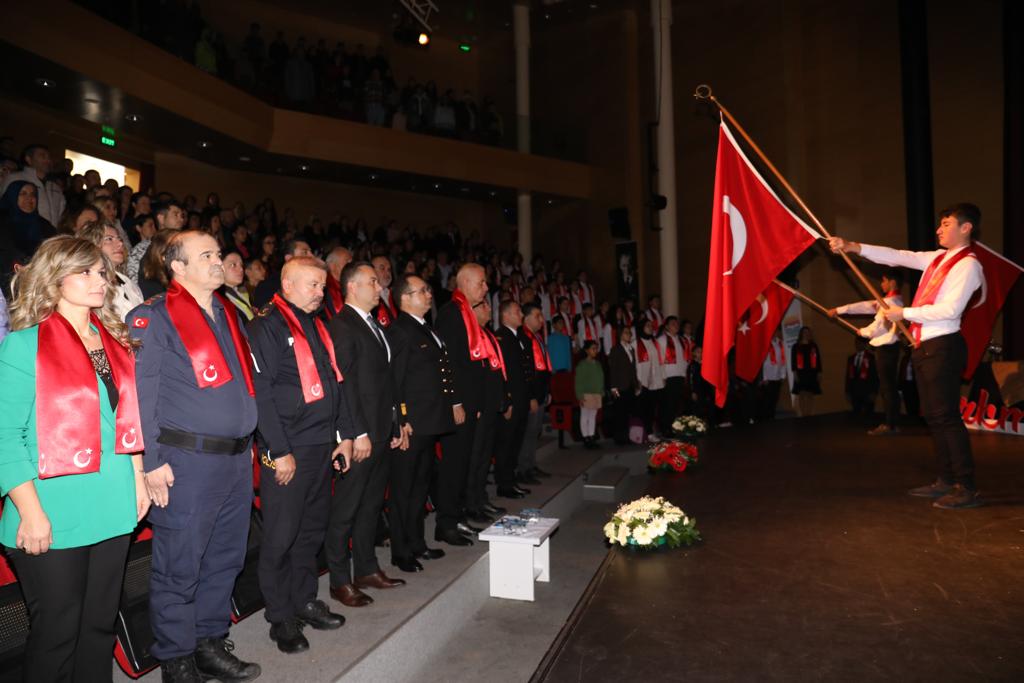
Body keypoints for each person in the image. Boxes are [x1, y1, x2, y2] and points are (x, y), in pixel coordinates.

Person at [0, 236, 147, 682]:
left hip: (113, 501)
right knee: (57, 636)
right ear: (54, 278)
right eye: (84, 272)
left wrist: (138, 477)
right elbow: (6, 436)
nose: (98, 280)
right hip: (51, 507)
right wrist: (30, 513)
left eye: (101, 272)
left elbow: (126, 420)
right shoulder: (24, 345)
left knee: (99, 628)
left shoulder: (114, 340)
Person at [129, 230, 261, 682]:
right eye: (206, 255)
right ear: (177, 267)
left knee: (225, 558)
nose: (217, 260)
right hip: (186, 463)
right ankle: (177, 658)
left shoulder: (226, 313)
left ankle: (209, 643)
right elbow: (141, 397)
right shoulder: (153, 317)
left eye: (218, 253)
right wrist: (150, 462)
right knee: (179, 566)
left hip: (235, 460)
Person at [829, 203, 984, 509]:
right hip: (923, 345)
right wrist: (853, 246)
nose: (938, 230)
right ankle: (945, 480)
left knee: (946, 417)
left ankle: (966, 486)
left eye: (946, 224)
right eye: (940, 224)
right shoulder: (937, 258)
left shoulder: (968, 266)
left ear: (966, 228)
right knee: (934, 417)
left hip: (943, 345)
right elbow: (898, 256)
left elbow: (951, 309)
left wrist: (904, 313)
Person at [247, 257, 352, 654]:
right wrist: (279, 450)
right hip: (289, 448)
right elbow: (262, 393)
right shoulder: (267, 325)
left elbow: (334, 383)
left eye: (323, 286)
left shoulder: (315, 324)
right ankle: (280, 616)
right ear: (287, 284)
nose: (320, 293)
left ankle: (304, 599)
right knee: (281, 535)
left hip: (320, 443)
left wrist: (343, 435)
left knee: (310, 531)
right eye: (312, 285)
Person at [325, 261, 408, 609]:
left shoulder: (373, 324)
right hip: (360, 434)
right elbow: (343, 385)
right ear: (352, 287)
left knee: (371, 505)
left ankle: (366, 569)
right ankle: (339, 580)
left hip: (380, 430)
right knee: (345, 509)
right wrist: (355, 432)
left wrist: (396, 422)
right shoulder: (342, 325)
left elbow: (385, 381)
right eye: (372, 282)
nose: (379, 288)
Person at [388, 274, 455, 571]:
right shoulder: (400, 330)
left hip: (429, 421)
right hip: (412, 424)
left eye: (429, 290)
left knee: (419, 487)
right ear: (405, 298)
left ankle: (417, 542)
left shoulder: (424, 327)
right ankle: (400, 551)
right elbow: (396, 381)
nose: (429, 295)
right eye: (422, 291)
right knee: (403, 489)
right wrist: (401, 419)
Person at [433, 264, 489, 546]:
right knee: (453, 464)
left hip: (469, 402)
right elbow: (447, 361)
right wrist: (455, 401)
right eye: (481, 283)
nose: (486, 288)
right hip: (457, 404)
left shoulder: (467, 312)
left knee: (463, 462)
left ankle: (456, 515)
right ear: (464, 283)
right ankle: (445, 524)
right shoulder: (451, 313)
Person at [830, 270, 905, 435]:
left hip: (887, 349)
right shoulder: (892, 301)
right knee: (889, 386)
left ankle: (890, 424)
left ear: (892, 282)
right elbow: (864, 306)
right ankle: (893, 423)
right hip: (889, 349)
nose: (881, 284)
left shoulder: (892, 303)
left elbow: (880, 326)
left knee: (887, 387)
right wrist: (839, 310)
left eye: (884, 281)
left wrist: (863, 332)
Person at [495, 300, 533, 495]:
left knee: (516, 441)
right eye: (517, 312)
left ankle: (511, 479)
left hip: (522, 398)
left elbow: (526, 369)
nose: (521, 315)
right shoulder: (500, 337)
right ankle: (504, 484)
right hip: (511, 400)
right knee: (506, 443)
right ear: (506, 315)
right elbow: (501, 373)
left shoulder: (520, 337)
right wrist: (506, 401)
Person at [79, 221, 145, 321]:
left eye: (120, 239)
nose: (120, 243)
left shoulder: (128, 282)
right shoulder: (89, 288)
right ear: (91, 244)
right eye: (109, 239)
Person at [517, 303, 552, 482]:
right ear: (526, 317)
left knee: (535, 431)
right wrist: (531, 396)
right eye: (537, 316)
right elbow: (525, 371)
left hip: (540, 392)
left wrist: (547, 391)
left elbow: (543, 367)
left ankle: (531, 465)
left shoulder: (536, 337)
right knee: (528, 432)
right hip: (531, 394)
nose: (541, 320)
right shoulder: (523, 337)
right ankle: (523, 470)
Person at [0, 143, 65, 226]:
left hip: (50, 232)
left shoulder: (55, 187)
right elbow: (4, 206)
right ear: (29, 159)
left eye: (49, 157)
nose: (48, 160)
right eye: (42, 156)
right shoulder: (15, 178)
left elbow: (61, 212)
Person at [1, 181, 57, 270]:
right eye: (23, 194)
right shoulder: (3, 223)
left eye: (33, 194)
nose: (29, 198)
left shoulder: (45, 226)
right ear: (12, 196)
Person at [252, 240, 312, 308]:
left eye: (311, 252)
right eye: (305, 252)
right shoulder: (269, 286)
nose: (311, 256)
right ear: (289, 258)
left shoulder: (314, 283)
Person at [608, 325, 639, 444]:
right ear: (620, 335)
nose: (629, 335)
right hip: (619, 386)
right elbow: (613, 369)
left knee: (627, 411)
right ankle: (619, 437)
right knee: (619, 411)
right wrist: (613, 388)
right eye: (626, 333)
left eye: (630, 333)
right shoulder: (615, 349)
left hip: (630, 385)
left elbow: (633, 368)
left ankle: (626, 436)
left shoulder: (631, 349)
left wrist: (636, 384)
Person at [635, 319, 665, 440]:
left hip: (655, 380)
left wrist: (663, 376)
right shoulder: (635, 343)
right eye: (647, 325)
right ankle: (642, 433)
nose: (650, 327)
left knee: (652, 407)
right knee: (642, 407)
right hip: (642, 380)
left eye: (651, 326)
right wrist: (637, 380)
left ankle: (650, 432)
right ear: (641, 327)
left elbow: (661, 361)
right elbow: (634, 364)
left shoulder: (655, 343)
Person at [575, 341, 604, 449]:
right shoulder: (582, 365)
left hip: (596, 394)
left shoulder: (598, 364)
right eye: (593, 349)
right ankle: (585, 437)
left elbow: (601, 379)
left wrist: (601, 391)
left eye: (596, 348)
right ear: (587, 351)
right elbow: (578, 381)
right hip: (586, 394)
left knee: (592, 416)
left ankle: (591, 436)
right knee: (585, 416)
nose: (595, 351)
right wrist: (580, 395)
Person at [658, 316, 687, 424]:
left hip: (680, 375)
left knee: (676, 404)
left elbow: (684, 359)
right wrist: (662, 376)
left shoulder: (682, 340)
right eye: (673, 323)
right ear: (666, 326)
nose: (676, 325)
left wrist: (684, 374)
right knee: (667, 404)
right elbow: (659, 360)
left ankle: (674, 426)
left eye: (677, 323)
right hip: (668, 376)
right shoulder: (662, 340)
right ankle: (665, 427)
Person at [790, 326, 822, 417]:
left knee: (810, 394)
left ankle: (810, 414)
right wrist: (795, 373)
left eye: (808, 332)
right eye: (804, 332)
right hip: (801, 373)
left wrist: (819, 372)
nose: (806, 334)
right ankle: (802, 414)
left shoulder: (813, 346)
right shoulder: (796, 346)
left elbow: (818, 360)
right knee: (801, 393)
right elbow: (793, 361)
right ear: (801, 334)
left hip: (812, 373)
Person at [844, 338, 879, 416]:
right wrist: (847, 391)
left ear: (864, 345)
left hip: (868, 392)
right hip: (855, 392)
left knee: (868, 415)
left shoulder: (871, 358)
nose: (858, 345)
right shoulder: (851, 358)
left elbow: (875, 376)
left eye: (860, 343)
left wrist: (874, 392)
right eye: (856, 343)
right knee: (856, 415)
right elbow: (848, 377)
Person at [758, 327, 787, 420]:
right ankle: (765, 420)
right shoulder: (766, 343)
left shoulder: (780, 343)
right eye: (773, 330)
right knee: (767, 400)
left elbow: (783, 360)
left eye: (776, 331)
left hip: (777, 376)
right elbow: (763, 362)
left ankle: (771, 419)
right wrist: (765, 377)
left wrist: (783, 375)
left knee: (774, 399)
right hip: (768, 377)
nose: (775, 332)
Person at [221, 251, 255, 320]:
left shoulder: (242, 291)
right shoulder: (219, 301)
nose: (241, 269)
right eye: (233, 265)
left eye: (241, 265)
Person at [323, 246, 351, 319]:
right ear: (332, 266)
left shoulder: (348, 283)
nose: (351, 267)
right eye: (347, 262)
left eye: (351, 263)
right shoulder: (325, 287)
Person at [371, 255, 398, 327]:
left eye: (389, 269)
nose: (387, 273)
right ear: (371, 271)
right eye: (382, 268)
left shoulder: (394, 294)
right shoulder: (368, 297)